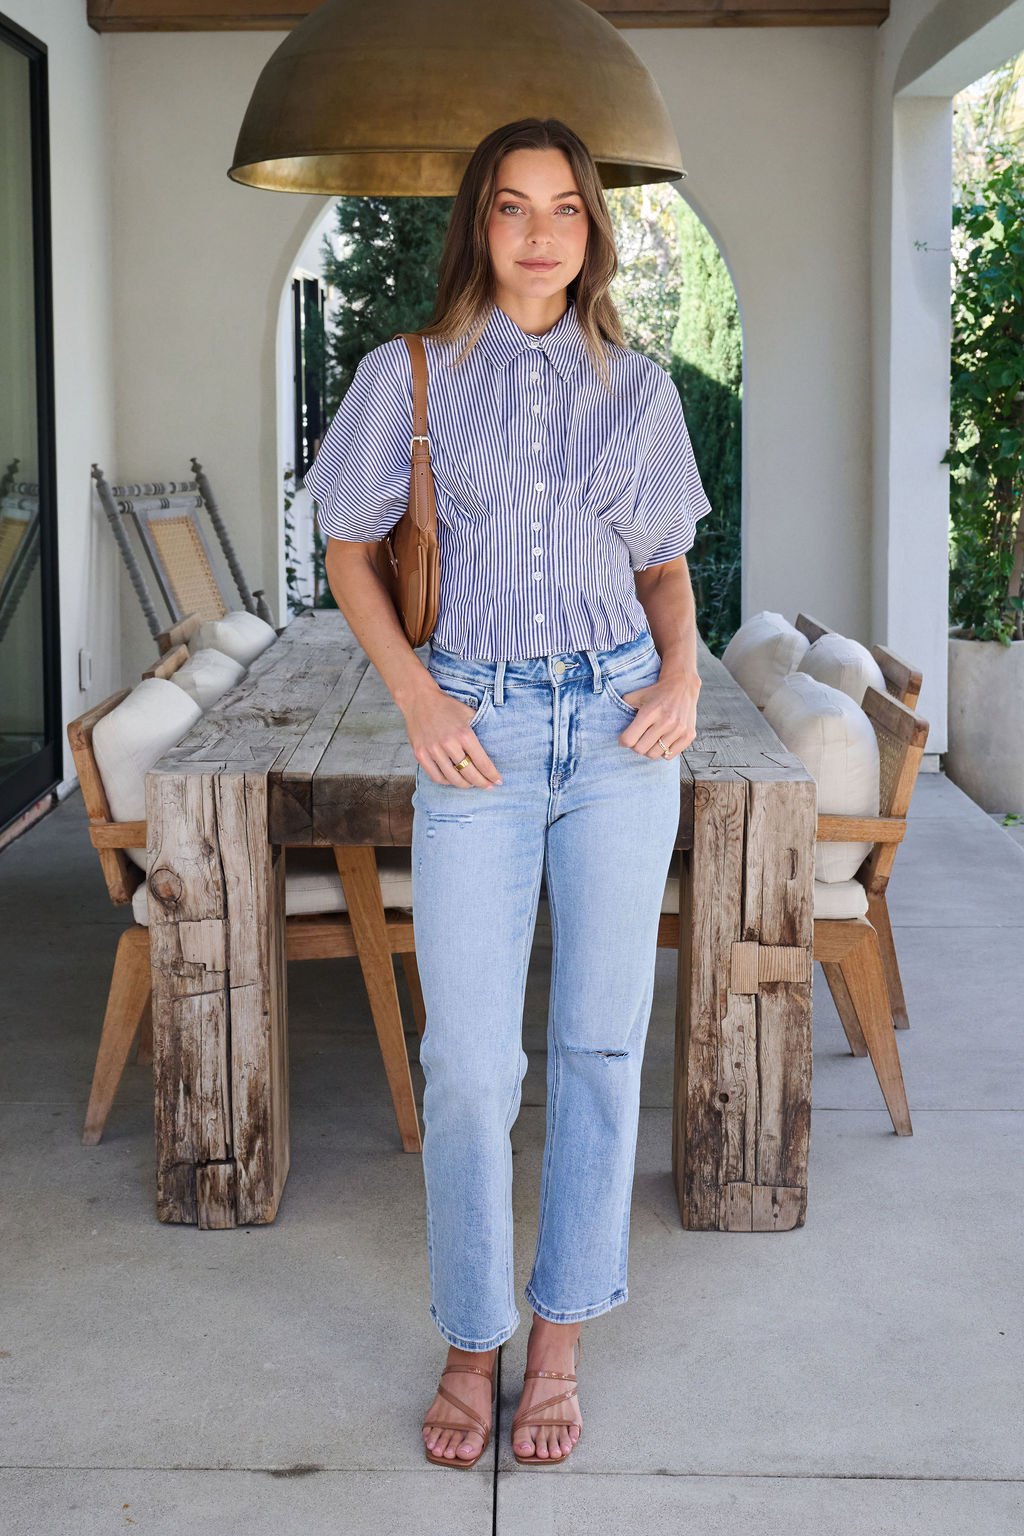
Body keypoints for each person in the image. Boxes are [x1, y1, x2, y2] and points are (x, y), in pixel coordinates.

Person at [304, 116, 710, 1470]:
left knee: (599, 1046)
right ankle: (470, 1339)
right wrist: (418, 696)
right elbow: (346, 543)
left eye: (566, 210)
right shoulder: (405, 375)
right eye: (511, 206)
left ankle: (560, 1341)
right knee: (470, 1063)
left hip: (615, 729)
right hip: (472, 728)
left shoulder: (639, 391)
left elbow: (661, 566)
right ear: (476, 223)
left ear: (594, 232)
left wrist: (684, 680)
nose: (540, 231)